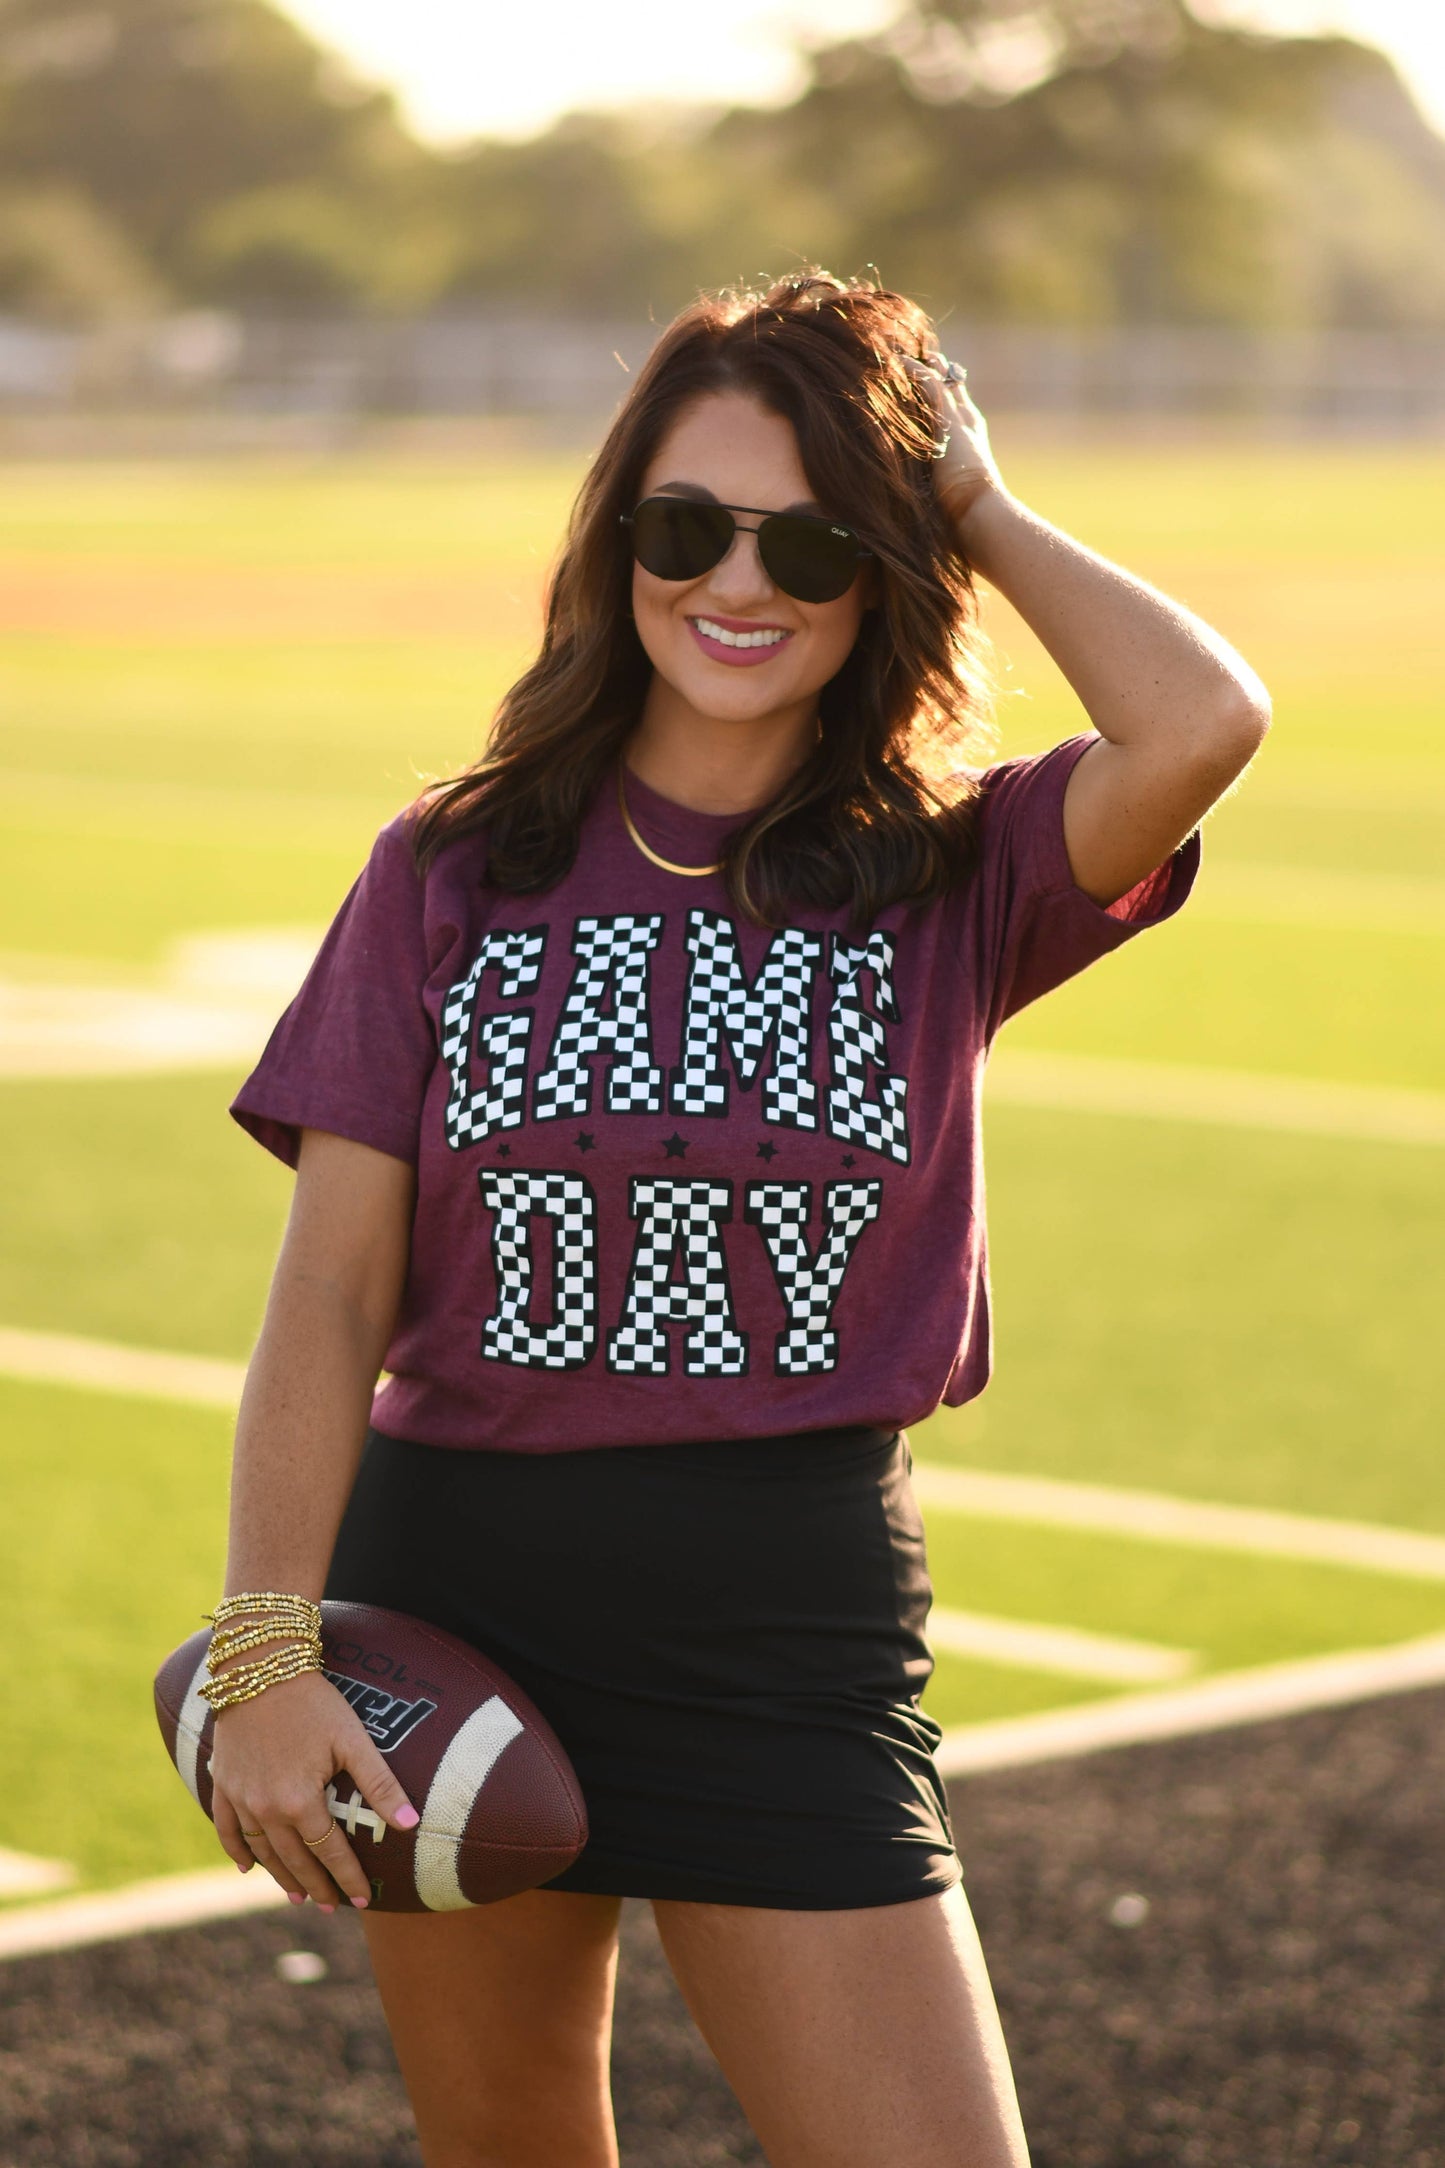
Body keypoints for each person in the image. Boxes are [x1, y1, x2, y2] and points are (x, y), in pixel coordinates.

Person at [207, 270, 1268, 2168]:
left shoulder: (953, 872)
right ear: (619, 543)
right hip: (455, 1603)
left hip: (784, 1626)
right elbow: (330, 1292)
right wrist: (268, 1655)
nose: (739, 582)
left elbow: (1200, 722)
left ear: (887, 567)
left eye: (813, 538)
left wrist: (981, 503)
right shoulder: (450, 867)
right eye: (686, 528)